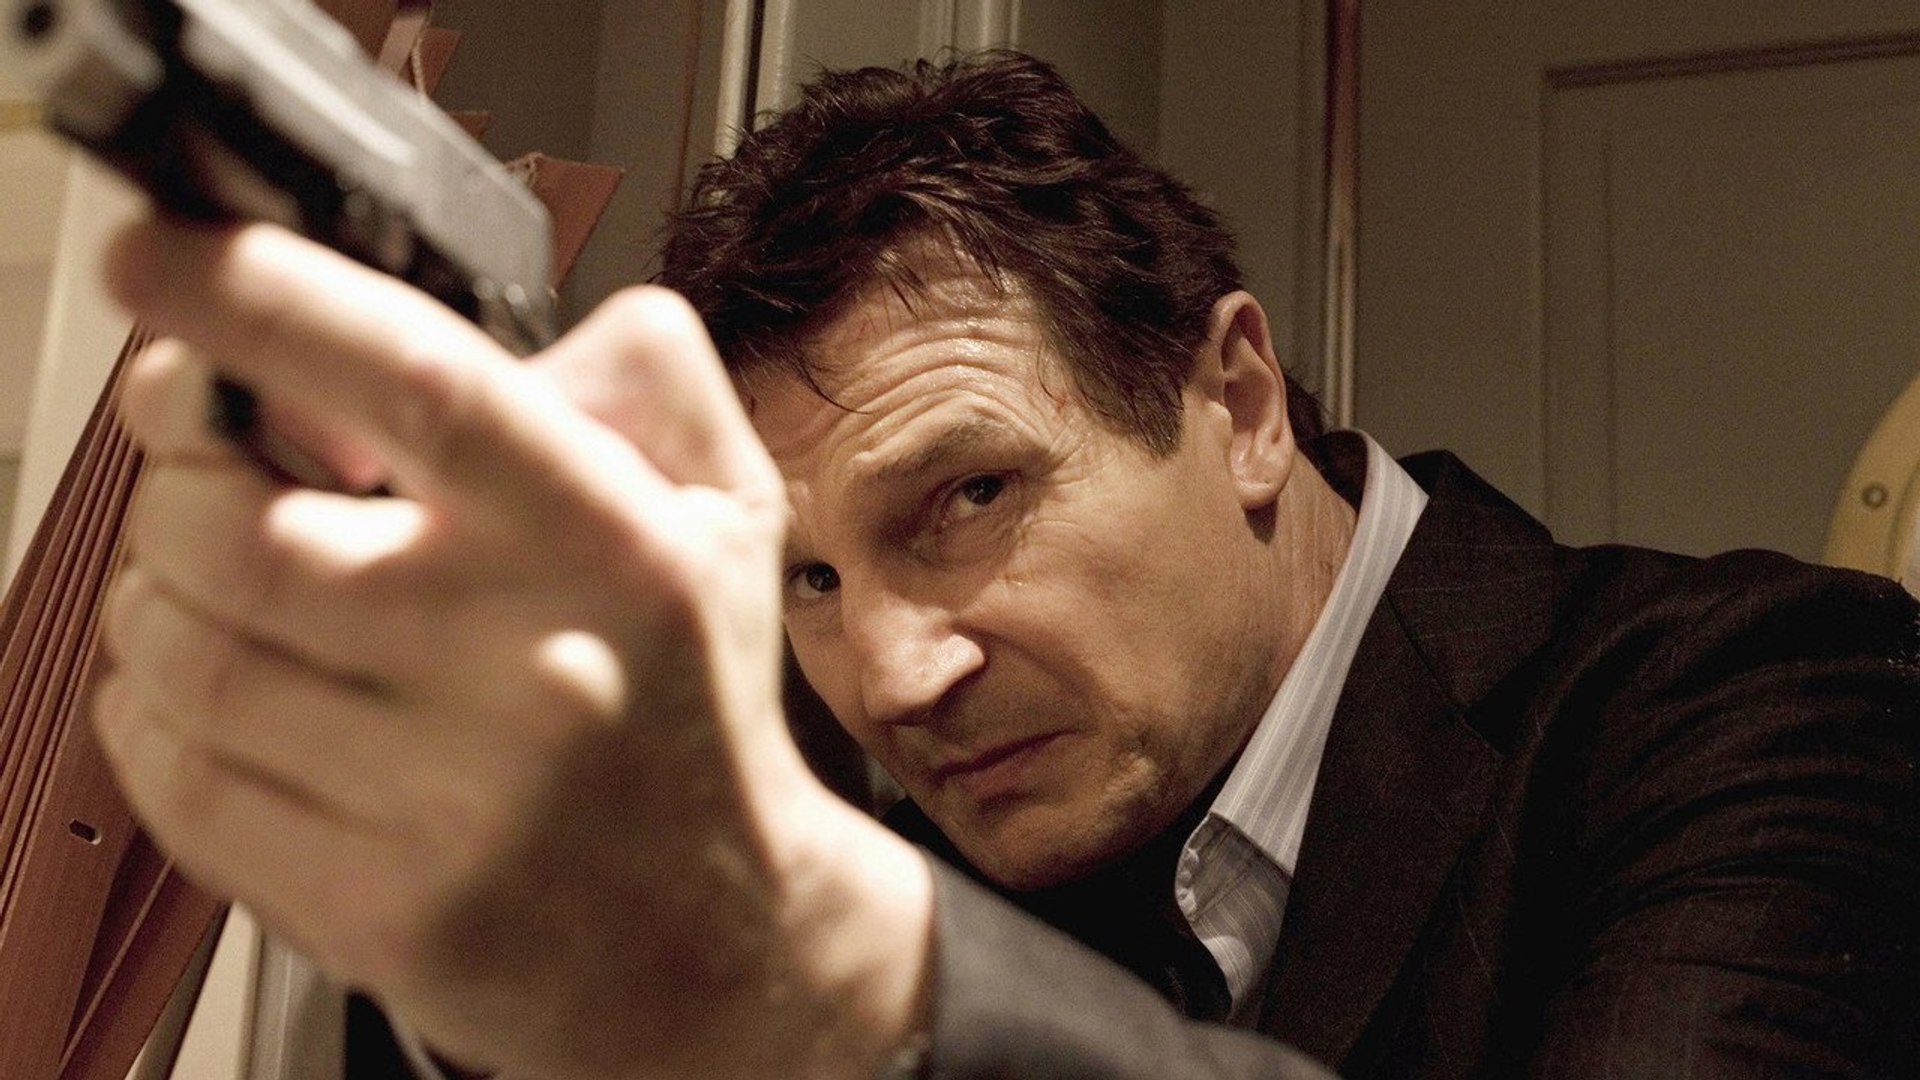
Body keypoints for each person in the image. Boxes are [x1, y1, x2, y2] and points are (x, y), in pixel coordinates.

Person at [93, 51, 1916, 1079]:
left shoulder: (1783, 699)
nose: (892, 683)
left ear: (1241, 402)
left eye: (966, 498)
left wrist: (803, 952)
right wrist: (491, 944)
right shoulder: (989, 834)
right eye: (807, 580)